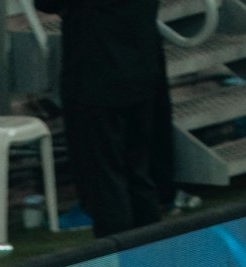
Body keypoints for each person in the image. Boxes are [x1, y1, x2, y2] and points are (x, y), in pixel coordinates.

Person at [51, 0, 169, 239]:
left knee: (105, 182)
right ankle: (151, 252)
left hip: (96, 79)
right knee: (138, 174)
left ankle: (117, 254)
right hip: (142, 70)